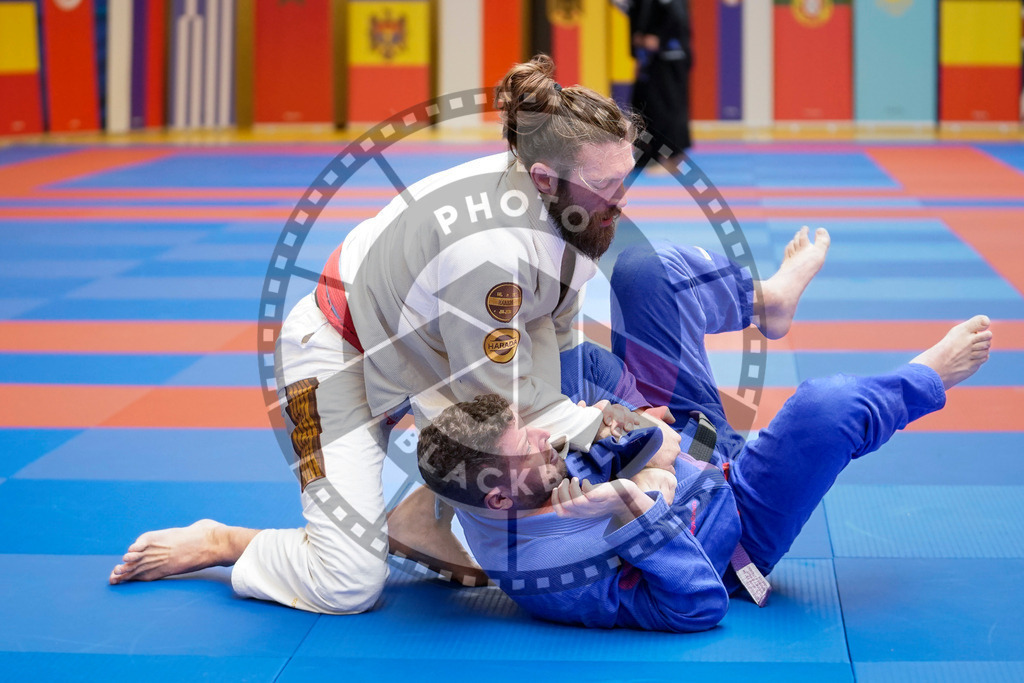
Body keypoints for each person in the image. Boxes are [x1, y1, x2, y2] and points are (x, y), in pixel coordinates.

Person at [107, 55, 646, 613]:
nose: (622, 196)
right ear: (543, 179)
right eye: (606, 183)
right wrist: (613, 430)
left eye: (625, 175)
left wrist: (593, 420)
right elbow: (496, 407)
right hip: (340, 351)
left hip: (428, 353)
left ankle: (421, 515)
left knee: (541, 448)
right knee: (346, 585)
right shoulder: (489, 253)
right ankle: (224, 541)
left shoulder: (577, 212)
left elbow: (555, 333)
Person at [417, 227, 994, 631]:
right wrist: (635, 512)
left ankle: (766, 301)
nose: (547, 437)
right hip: (735, 514)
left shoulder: (498, 479)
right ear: (497, 495)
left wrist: (625, 430)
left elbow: (494, 425)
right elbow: (694, 606)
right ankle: (925, 378)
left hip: (680, 436)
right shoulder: (555, 576)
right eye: (534, 444)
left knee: (644, 274)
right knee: (825, 406)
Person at [629, 0, 693, 167]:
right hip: (650, 59)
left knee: (668, 107)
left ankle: (671, 157)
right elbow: (638, 18)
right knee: (643, 106)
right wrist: (637, 51)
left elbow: (678, 20)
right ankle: (647, 156)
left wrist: (660, 39)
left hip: (669, 58)